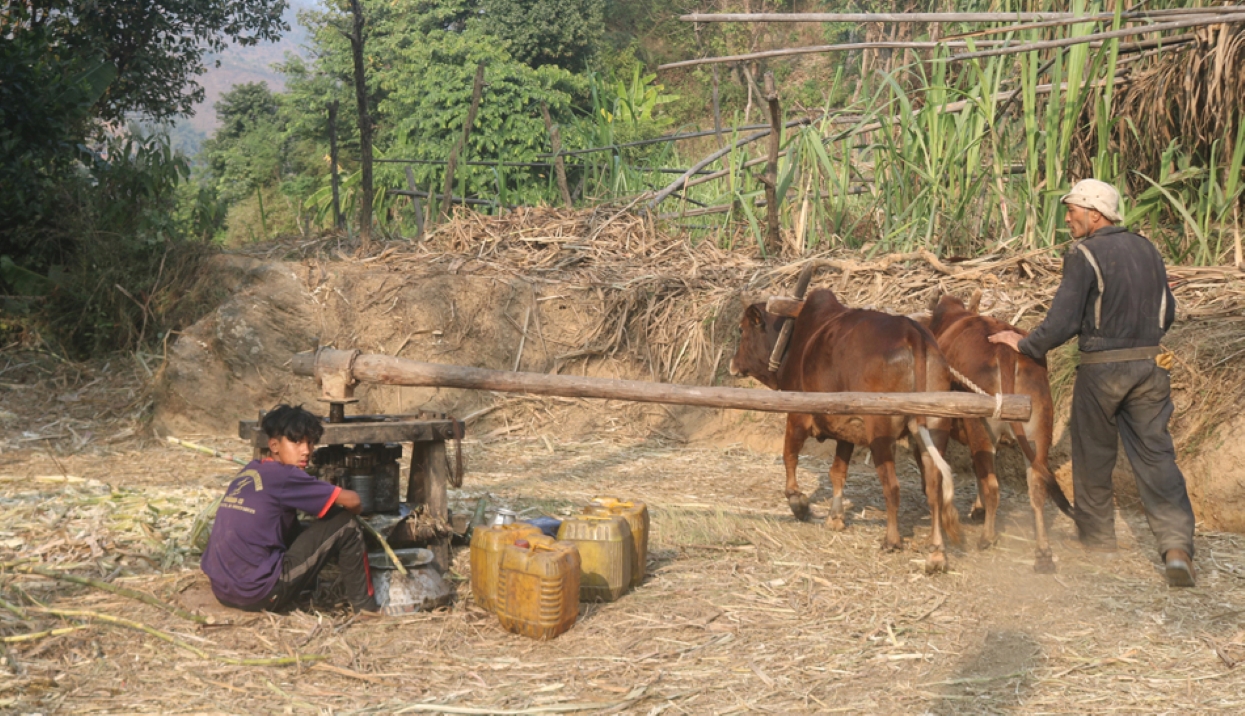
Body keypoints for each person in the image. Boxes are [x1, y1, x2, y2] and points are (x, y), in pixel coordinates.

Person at [989, 178, 1197, 587]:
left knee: (1093, 455)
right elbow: (1166, 314)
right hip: (1152, 366)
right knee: (1157, 456)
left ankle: (1099, 540)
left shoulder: (1085, 253)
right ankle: (1176, 548)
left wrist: (1026, 343)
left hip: (1103, 370)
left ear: (1095, 213)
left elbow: (1062, 321)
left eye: (1072, 211)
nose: (1067, 219)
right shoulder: (1149, 250)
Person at [202, 404, 379, 611]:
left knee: (295, 524)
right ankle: (367, 609)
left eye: (310, 443)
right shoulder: (286, 476)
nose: (306, 451)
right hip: (259, 593)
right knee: (345, 523)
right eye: (296, 442)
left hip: (224, 591)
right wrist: (357, 514)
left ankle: (309, 585)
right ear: (274, 445)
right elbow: (354, 501)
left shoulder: (251, 470)